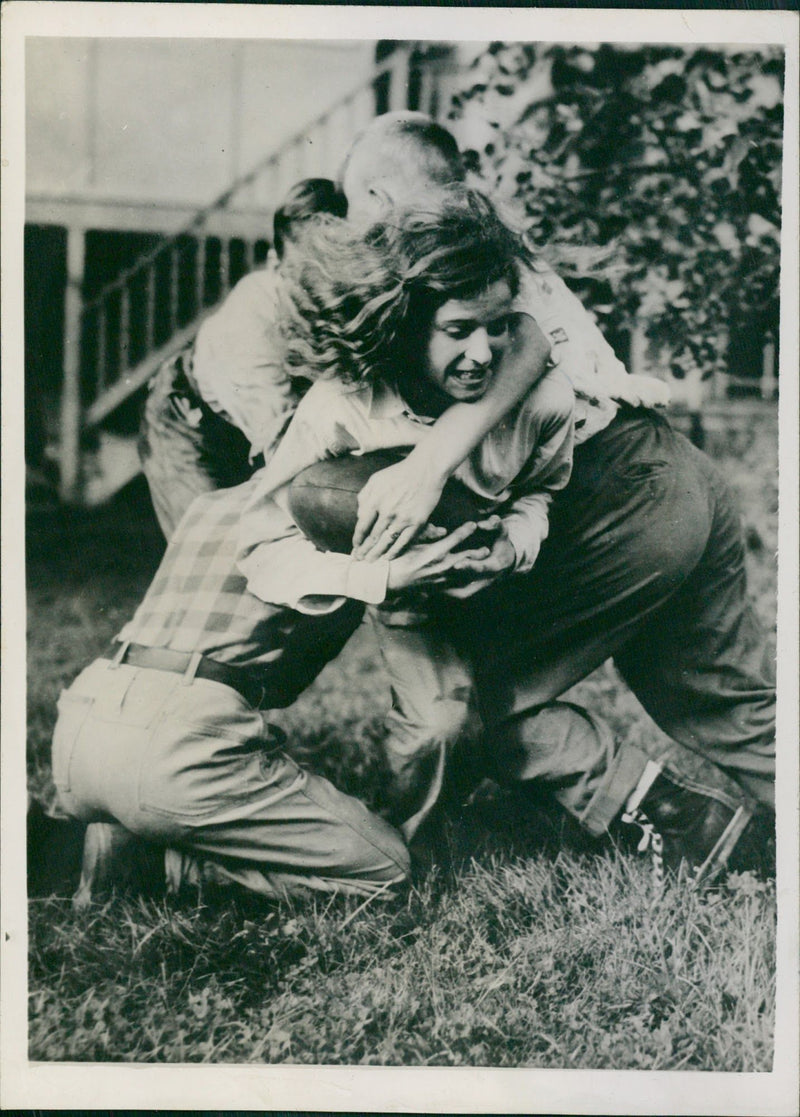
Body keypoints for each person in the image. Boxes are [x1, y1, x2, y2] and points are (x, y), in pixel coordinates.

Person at [238, 191, 772, 885]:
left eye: (496, 327)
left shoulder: (541, 398)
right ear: (405, 325)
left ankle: (657, 809)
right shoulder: (340, 410)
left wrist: (513, 542)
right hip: (401, 594)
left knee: (484, 707)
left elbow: (543, 489)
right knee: (439, 723)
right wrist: (380, 579)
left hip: (503, 574)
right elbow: (258, 543)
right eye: (459, 329)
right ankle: (408, 867)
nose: (484, 350)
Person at [37, 462, 503, 904]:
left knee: (169, 776)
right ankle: (151, 864)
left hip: (82, 724)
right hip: (176, 748)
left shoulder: (213, 501)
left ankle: (106, 834)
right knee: (388, 870)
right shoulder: (343, 503)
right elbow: (290, 679)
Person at [139, 176, 555, 546]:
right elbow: (282, 444)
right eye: (303, 269)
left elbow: (531, 339)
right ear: (274, 264)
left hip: (276, 421)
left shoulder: (374, 303)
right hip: (194, 420)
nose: (318, 282)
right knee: (214, 556)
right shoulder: (251, 322)